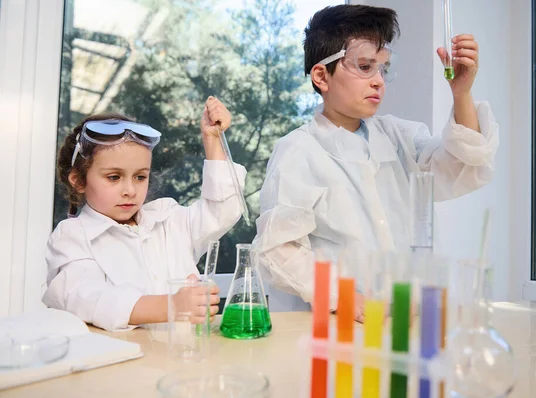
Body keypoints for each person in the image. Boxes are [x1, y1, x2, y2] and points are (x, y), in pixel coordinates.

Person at [253, 5, 499, 320]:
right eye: (365, 66)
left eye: (383, 68)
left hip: (402, 319)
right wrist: (343, 299)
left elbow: (465, 164)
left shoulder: (401, 137)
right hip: (333, 326)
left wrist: (462, 94)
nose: (378, 81)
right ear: (321, 76)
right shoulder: (298, 151)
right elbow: (278, 249)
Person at [43, 97, 246, 332]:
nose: (130, 190)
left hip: (185, 361)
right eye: (114, 177)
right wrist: (170, 306)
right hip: (125, 366)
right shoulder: (72, 237)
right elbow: (87, 298)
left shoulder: (168, 219)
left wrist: (212, 140)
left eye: (140, 177)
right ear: (79, 180)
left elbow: (221, 210)